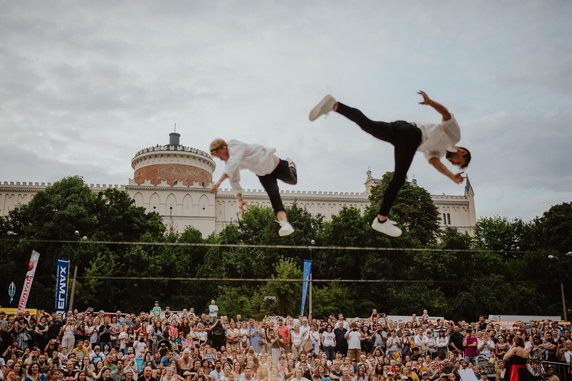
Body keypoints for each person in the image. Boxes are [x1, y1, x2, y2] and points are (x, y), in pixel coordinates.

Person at [309, 91, 471, 237]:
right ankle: (381, 220)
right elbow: (446, 114)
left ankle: (335, 105)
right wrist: (431, 102)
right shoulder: (454, 135)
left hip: (402, 129)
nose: (452, 162)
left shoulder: (439, 152)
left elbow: (435, 162)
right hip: (411, 136)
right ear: (462, 152)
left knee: (368, 125)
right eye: (457, 162)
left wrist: (451, 176)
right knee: (398, 179)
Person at [209, 138, 297, 237]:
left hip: (276, 164)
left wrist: (218, 182)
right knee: (274, 196)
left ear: (224, 148)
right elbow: (234, 180)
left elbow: (234, 161)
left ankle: (291, 164)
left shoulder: (234, 145)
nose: (220, 159)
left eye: (219, 155)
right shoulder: (230, 163)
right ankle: (284, 224)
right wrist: (240, 200)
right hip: (264, 174)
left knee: (293, 181)